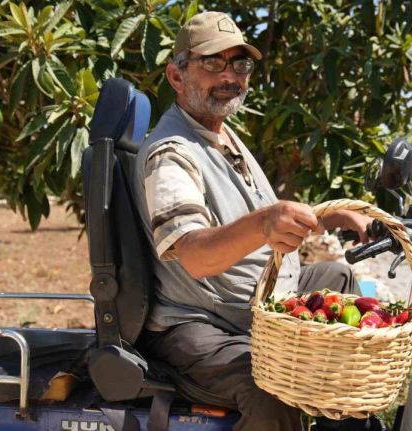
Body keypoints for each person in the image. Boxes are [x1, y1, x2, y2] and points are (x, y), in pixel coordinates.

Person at [136, 11, 382, 431]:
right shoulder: (171, 152)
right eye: (212, 62)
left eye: (240, 63)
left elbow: (249, 214)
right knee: (273, 389)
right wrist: (264, 222)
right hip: (202, 323)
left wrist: (328, 215)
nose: (230, 75)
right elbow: (193, 254)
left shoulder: (222, 134)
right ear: (176, 77)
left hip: (262, 303)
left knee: (338, 280)